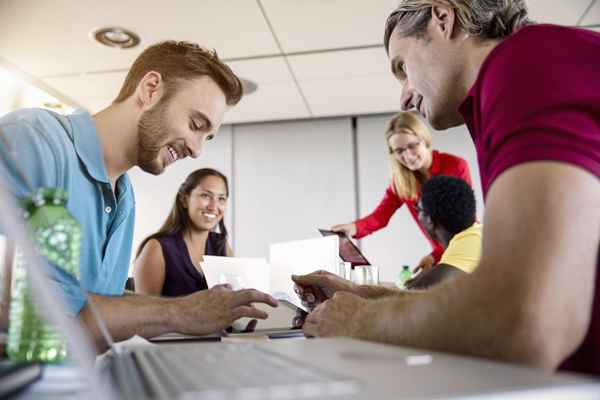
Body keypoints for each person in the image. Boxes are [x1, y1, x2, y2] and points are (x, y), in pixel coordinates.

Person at [293, 0, 600, 375]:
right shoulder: (502, 91)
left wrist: (359, 321)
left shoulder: (522, 61)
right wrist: (364, 297)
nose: (403, 96)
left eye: (402, 67)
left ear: (442, 18)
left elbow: (525, 318)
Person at [0, 41, 277, 352]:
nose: (197, 150)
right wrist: (181, 312)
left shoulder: (124, 199)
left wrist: (202, 309)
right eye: (196, 125)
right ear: (150, 89)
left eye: (207, 137)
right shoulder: (34, 141)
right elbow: (19, 308)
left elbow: (98, 302)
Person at [331, 111, 472, 272]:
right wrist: (352, 228)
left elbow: (462, 224)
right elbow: (379, 217)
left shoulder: (455, 166)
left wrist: (435, 256)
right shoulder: (400, 183)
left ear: (424, 140)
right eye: (399, 151)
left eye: (412, 146)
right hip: (444, 256)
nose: (408, 156)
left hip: (468, 249)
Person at [134, 168, 233, 296]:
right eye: (205, 196)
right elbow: (144, 311)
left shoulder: (220, 245)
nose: (213, 206)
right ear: (184, 200)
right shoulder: (157, 248)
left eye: (221, 199)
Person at [408, 175, 481, 288]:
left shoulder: (466, 247)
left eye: (418, 209)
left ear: (430, 220)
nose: (417, 214)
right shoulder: (477, 234)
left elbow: (412, 295)